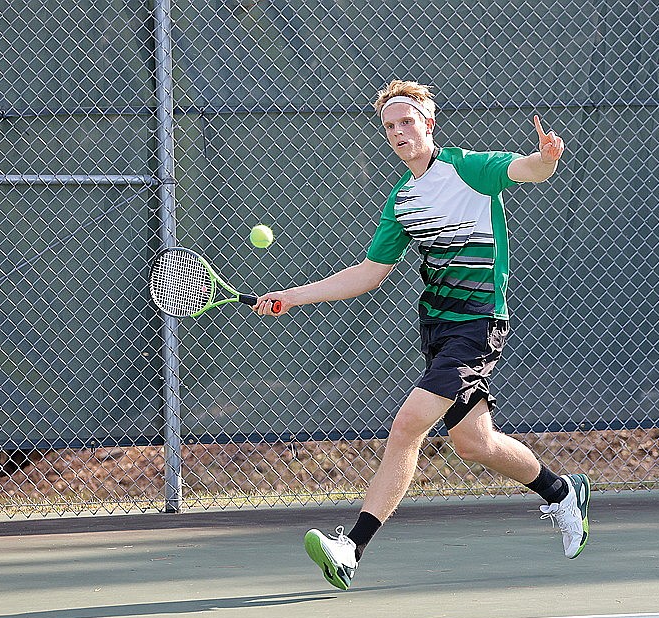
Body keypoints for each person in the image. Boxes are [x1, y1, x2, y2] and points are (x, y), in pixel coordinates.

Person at [253, 79, 590, 591]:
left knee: (408, 424)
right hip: (436, 327)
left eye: (406, 122)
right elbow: (369, 272)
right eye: (389, 126)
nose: (397, 132)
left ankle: (352, 549)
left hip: (478, 323)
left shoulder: (469, 169)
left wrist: (547, 159)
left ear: (428, 123)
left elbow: (528, 170)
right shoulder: (403, 200)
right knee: (474, 442)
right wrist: (293, 296)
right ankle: (562, 492)